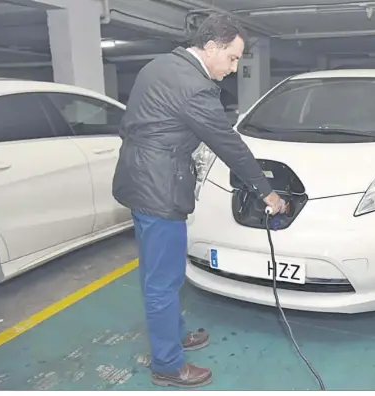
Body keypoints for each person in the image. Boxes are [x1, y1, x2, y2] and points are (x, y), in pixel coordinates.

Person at [112, 13, 285, 388]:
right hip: (160, 189)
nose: (235, 68)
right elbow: (229, 146)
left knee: (155, 274)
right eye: (233, 58)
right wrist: (266, 191)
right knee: (164, 281)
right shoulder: (194, 86)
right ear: (211, 47)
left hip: (137, 180)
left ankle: (174, 336)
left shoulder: (160, 65)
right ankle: (168, 365)